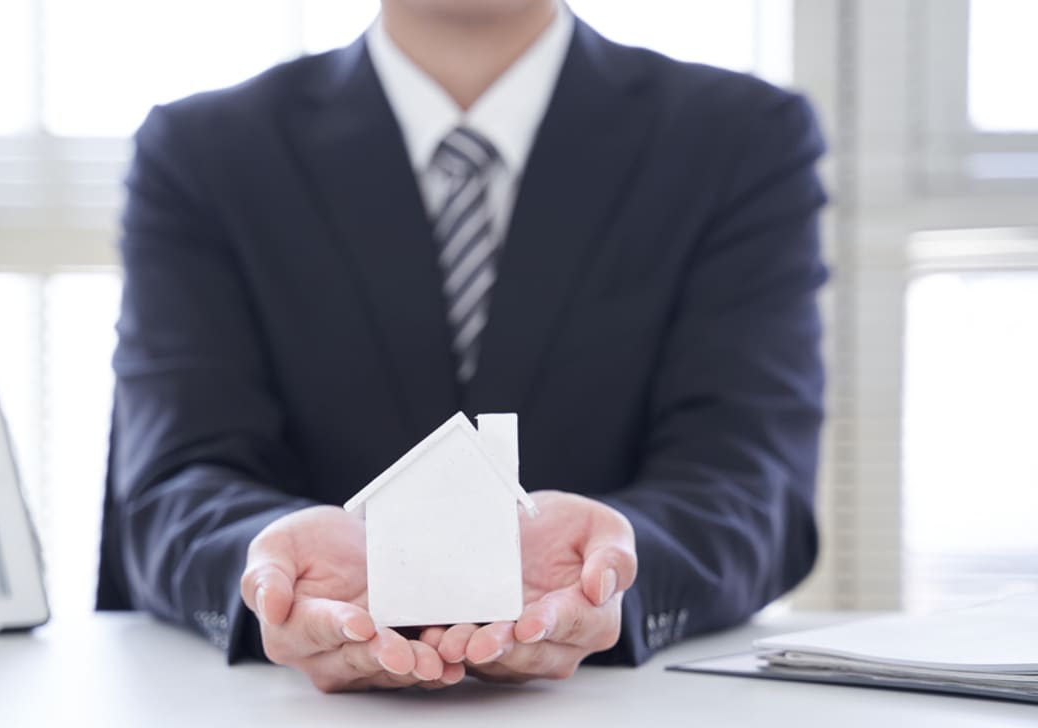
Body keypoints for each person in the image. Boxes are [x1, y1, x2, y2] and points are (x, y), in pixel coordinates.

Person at [97, 0, 828, 693]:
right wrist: (274, 572)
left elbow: (749, 479)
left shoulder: (738, 139)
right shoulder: (207, 152)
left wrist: (610, 575)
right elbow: (175, 480)